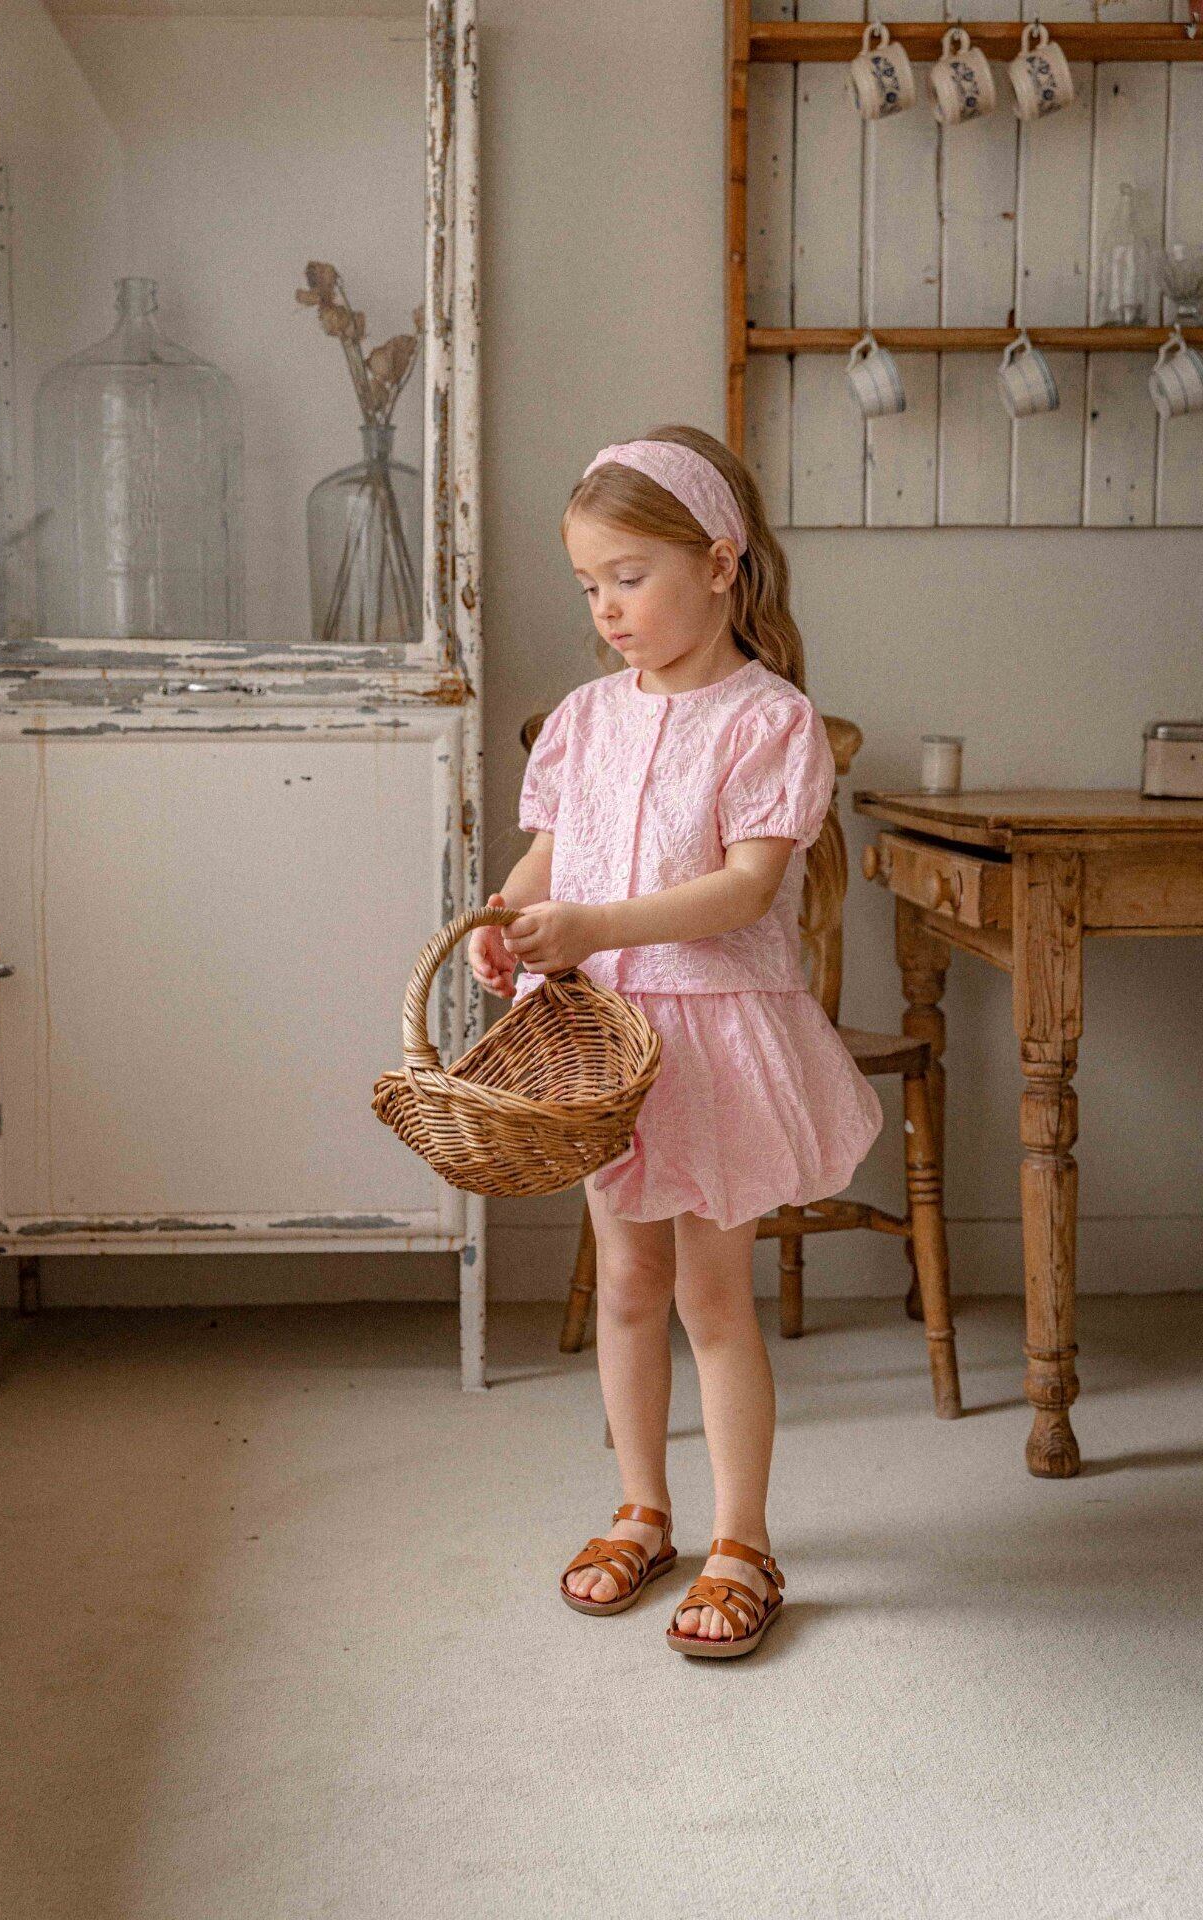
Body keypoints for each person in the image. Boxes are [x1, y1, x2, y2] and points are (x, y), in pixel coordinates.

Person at [469, 427, 884, 1660]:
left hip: (715, 1044)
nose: (605, 609)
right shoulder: (584, 720)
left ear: (717, 562)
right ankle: (640, 1509)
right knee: (626, 1286)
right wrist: (505, 919)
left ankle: (740, 1538)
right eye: (587, 585)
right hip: (604, 1050)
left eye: (628, 577)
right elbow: (548, 859)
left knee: (709, 1296)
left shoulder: (768, 721)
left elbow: (744, 891)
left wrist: (591, 923)